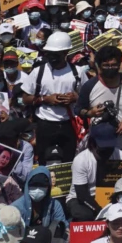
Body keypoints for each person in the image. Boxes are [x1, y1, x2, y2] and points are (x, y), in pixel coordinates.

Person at [21, 31, 84, 162]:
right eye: (49, 54)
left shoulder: (77, 72)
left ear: (66, 52)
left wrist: (75, 98)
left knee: (69, 161)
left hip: (69, 124)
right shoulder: (38, 72)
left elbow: (87, 97)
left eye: (57, 55)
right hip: (45, 124)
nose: (52, 58)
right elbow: (25, 98)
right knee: (43, 160)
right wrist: (45, 99)